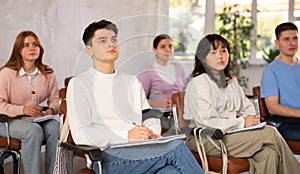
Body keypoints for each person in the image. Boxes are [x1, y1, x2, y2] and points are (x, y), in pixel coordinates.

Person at [66, 20, 203, 174]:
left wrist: (150, 133)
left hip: (142, 150)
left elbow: (149, 117)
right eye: (102, 41)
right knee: (176, 148)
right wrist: (126, 135)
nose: (111, 44)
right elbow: (82, 134)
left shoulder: (130, 81)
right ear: (89, 49)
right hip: (107, 157)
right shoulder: (79, 84)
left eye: (114, 40)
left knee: (171, 171)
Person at [184, 33, 300, 174]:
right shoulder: (199, 82)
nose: (220, 56)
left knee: (269, 153)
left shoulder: (230, 80)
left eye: (223, 50)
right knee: (270, 133)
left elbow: (247, 106)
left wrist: (250, 119)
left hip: (231, 133)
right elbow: (207, 121)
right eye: (213, 52)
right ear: (203, 58)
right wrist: (241, 122)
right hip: (206, 139)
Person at [0, 31, 59, 174]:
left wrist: (51, 110)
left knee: (54, 127)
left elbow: (55, 99)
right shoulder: (6, 73)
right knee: (33, 131)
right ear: (19, 51)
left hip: (35, 119)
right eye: (26, 45)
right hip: (6, 121)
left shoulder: (47, 73)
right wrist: (23, 110)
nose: (32, 48)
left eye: (35, 44)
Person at [138, 34, 188, 129]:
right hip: (162, 117)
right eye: (163, 46)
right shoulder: (148, 73)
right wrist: (158, 103)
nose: (167, 49)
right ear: (154, 50)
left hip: (183, 114)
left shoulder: (180, 68)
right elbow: (138, 100)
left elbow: (188, 91)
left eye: (170, 46)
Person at [260, 22, 300, 141]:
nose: (292, 43)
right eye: (286, 39)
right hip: (286, 124)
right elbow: (273, 107)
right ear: (277, 43)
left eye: (295, 38)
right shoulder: (270, 72)